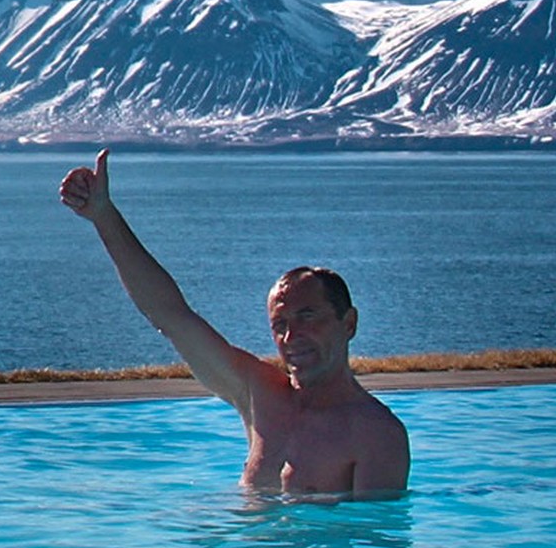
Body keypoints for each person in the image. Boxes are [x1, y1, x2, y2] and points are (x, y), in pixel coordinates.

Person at [59, 150, 409, 496]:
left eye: (308, 316)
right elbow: (169, 315)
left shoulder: (376, 434)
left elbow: (372, 537)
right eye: (279, 324)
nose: (292, 336)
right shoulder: (259, 394)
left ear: (348, 324)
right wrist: (104, 217)